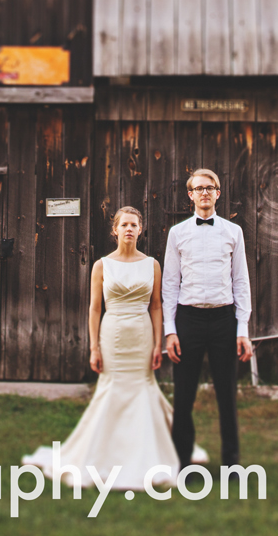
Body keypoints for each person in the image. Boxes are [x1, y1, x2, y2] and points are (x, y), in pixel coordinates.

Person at [22, 205, 205, 489]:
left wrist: (159, 344)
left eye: (134, 225)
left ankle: (150, 453)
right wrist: (94, 347)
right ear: (115, 230)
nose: (129, 229)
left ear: (140, 229)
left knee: (143, 387)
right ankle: (100, 454)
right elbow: (95, 309)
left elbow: (156, 306)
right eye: (124, 225)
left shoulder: (152, 265)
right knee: (112, 388)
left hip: (142, 334)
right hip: (113, 334)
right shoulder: (101, 265)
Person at [164, 167, 254, 469]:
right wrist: (170, 330)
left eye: (210, 187)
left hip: (223, 321)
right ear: (190, 195)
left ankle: (232, 465)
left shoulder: (233, 232)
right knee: (184, 396)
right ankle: (182, 465)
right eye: (198, 188)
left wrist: (243, 329)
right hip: (188, 320)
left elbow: (241, 281)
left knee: (227, 396)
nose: (204, 192)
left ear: (218, 193)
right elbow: (169, 285)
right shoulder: (177, 234)